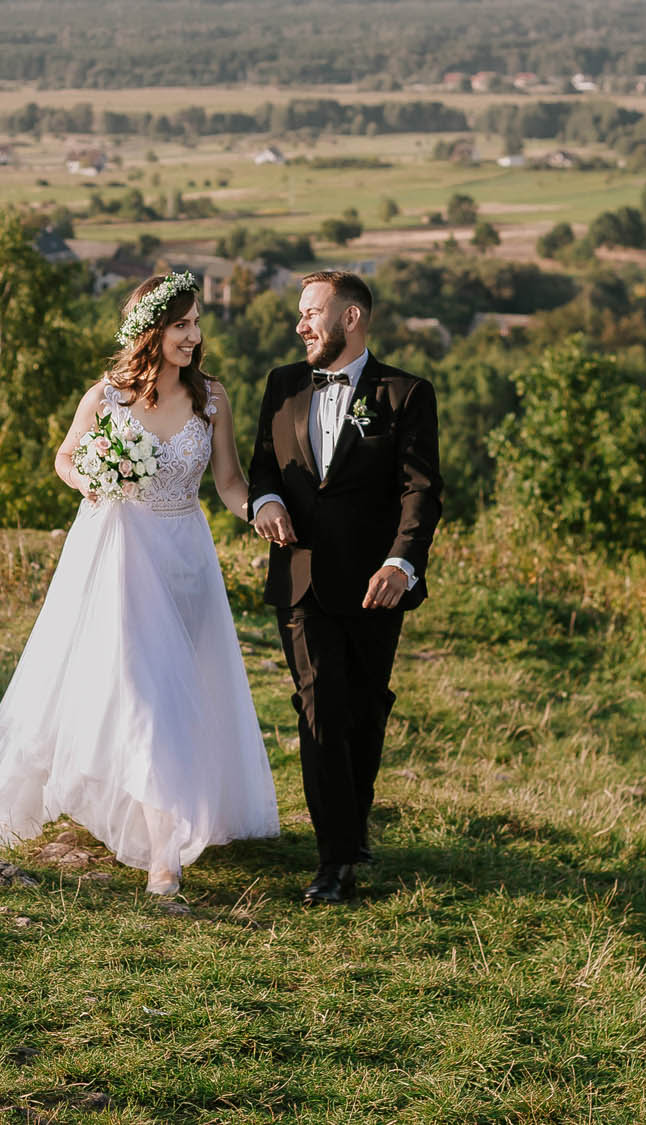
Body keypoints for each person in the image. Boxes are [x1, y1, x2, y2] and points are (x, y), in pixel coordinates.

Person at [0, 272, 278, 897]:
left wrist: (261, 511)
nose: (194, 335)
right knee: (141, 694)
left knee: (177, 691)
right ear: (150, 332)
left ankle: (163, 823)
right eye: (181, 325)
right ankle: (165, 855)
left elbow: (230, 483)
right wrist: (93, 479)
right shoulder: (106, 396)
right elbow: (64, 456)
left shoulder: (211, 397)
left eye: (195, 324)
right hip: (118, 555)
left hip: (183, 556)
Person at [247, 270, 442, 905]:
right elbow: (261, 468)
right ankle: (333, 861)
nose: (301, 325)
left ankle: (352, 828)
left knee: (364, 706)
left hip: (374, 585)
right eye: (301, 314)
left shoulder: (406, 394)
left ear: (351, 318)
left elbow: (421, 491)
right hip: (301, 575)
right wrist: (267, 502)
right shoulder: (281, 386)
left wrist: (401, 564)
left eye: (312, 313)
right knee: (320, 707)